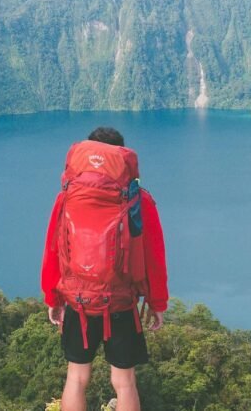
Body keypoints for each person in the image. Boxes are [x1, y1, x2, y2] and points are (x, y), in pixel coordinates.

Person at [40, 127, 169, 411]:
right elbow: (154, 256)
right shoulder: (138, 199)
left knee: (76, 377)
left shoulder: (68, 195)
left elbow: (53, 248)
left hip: (78, 301)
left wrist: (53, 297)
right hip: (121, 302)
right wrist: (157, 303)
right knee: (124, 382)